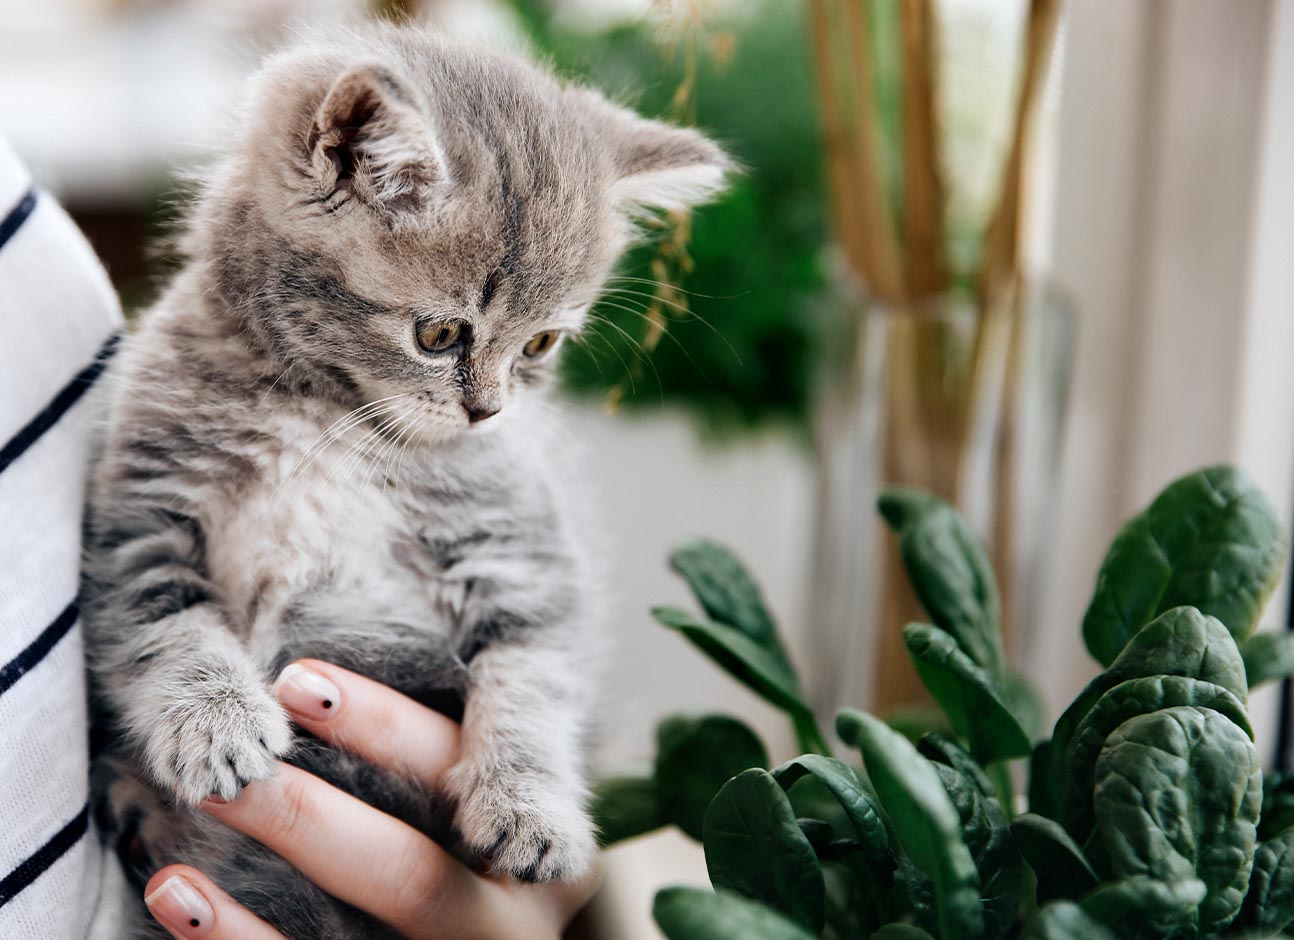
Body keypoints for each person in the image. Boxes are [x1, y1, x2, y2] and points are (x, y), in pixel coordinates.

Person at [0, 138, 596, 939]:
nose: (490, 403)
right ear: (346, 164)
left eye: (536, 347)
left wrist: (519, 766)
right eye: (443, 335)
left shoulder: (43, 280)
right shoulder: (180, 367)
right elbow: (137, 561)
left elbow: (530, 619)